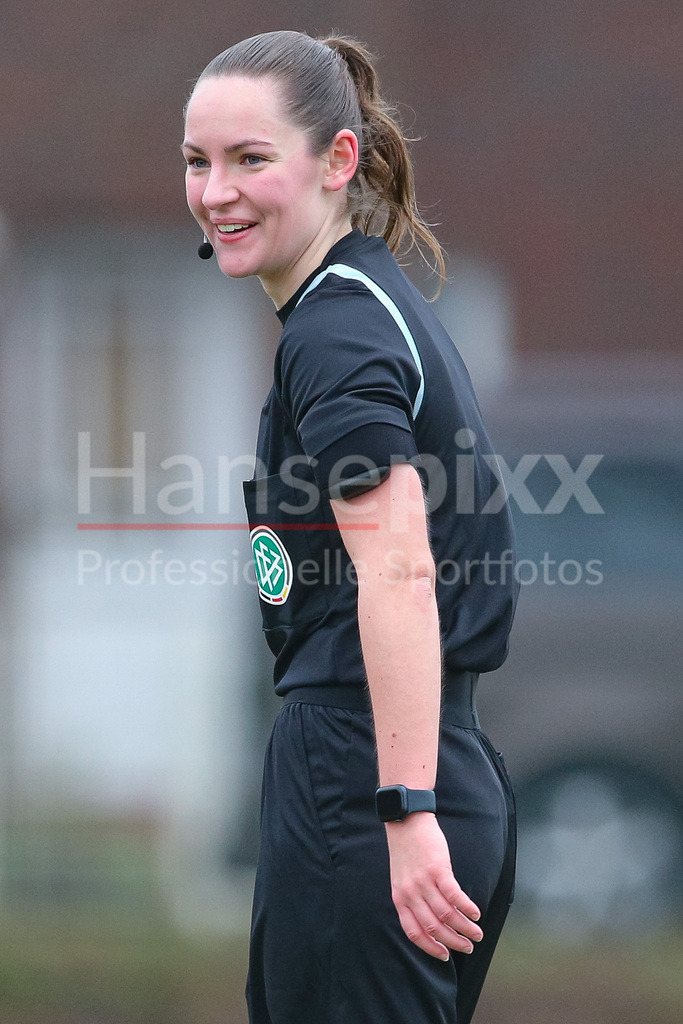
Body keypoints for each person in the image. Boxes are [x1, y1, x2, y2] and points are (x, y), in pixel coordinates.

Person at [182, 29, 518, 1024]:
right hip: (414, 766)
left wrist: (401, 809)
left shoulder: (336, 332)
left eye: (251, 159)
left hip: (363, 781)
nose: (214, 192)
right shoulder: (364, 306)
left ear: (336, 161)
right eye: (197, 162)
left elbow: (400, 570)